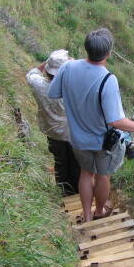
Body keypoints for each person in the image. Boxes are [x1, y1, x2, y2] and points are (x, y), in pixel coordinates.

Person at [49, 28, 134, 222]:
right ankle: (99, 210)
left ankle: (86, 214)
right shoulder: (108, 80)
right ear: (108, 53)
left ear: (86, 48)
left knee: (85, 173)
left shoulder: (67, 68)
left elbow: (53, 93)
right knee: (102, 176)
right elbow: (115, 120)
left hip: (77, 138)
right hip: (102, 142)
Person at [26, 49, 80, 196]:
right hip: (73, 134)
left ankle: (63, 192)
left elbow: (31, 73)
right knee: (76, 164)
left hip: (52, 132)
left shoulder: (38, 85)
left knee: (60, 162)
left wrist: (49, 62)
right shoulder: (72, 89)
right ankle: (76, 193)